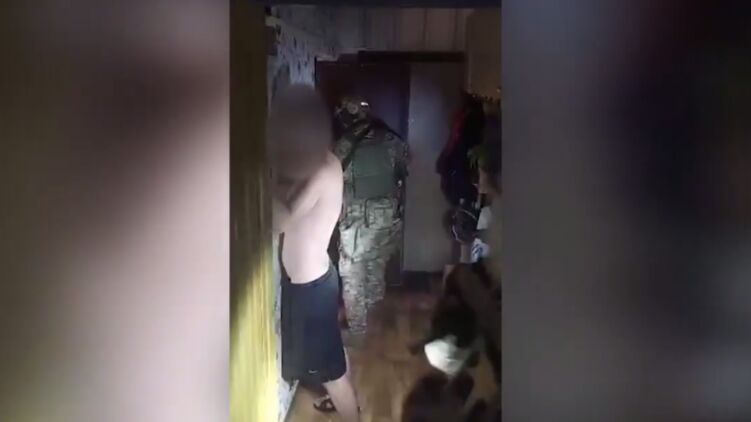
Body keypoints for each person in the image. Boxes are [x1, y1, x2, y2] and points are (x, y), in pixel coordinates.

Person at [269, 85, 360, 422]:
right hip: (312, 281)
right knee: (331, 359)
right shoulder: (319, 162)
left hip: (312, 287)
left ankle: (350, 411)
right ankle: (344, 402)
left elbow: (280, 221)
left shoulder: (321, 168)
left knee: (332, 373)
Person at [333, 96, 410, 345]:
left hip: (358, 220)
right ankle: (374, 320)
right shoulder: (391, 138)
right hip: (388, 217)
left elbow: (332, 176)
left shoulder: (344, 145)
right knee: (376, 268)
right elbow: (404, 168)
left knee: (353, 273)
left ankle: (358, 332)